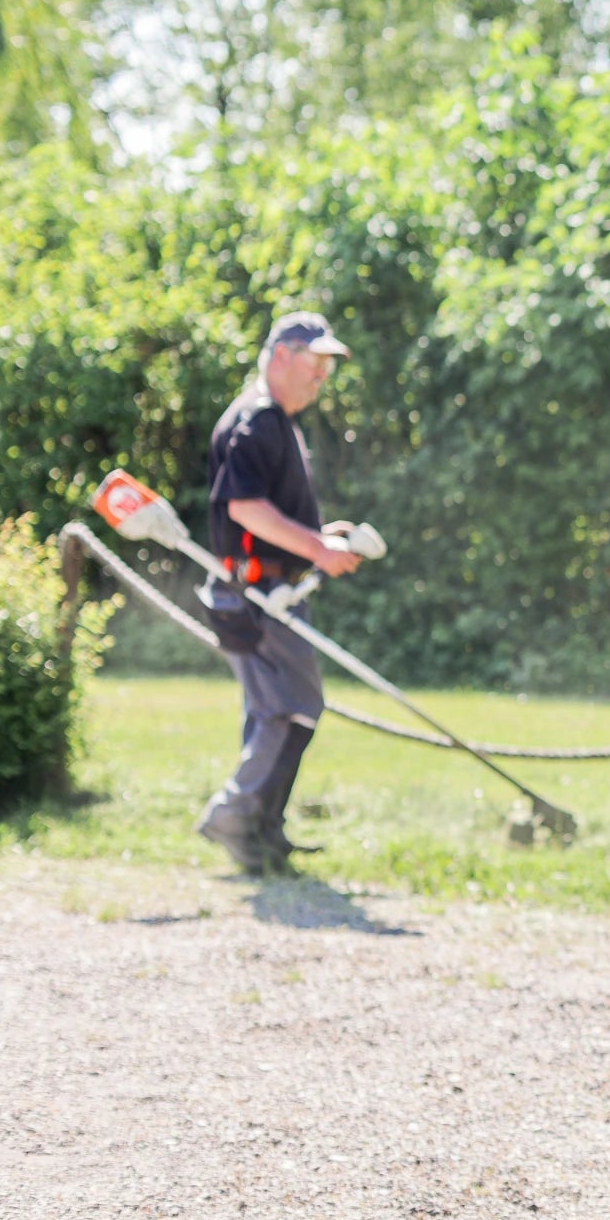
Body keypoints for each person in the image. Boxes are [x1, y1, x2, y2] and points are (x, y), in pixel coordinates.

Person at [193, 312, 365, 875]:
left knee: (276, 710)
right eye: (315, 365)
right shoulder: (258, 420)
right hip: (259, 596)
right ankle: (236, 816)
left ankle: (262, 831)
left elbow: (264, 512)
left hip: (266, 591)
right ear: (281, 355)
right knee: (291, 710)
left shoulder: (273, 420)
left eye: (326, 369)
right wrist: (317, 550)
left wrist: (318, 539)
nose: (321, 378)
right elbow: (244, 507)